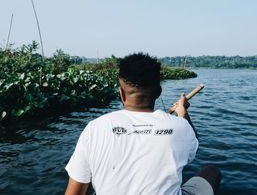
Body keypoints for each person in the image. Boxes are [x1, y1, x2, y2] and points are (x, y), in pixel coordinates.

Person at [65, 53, 219, 195]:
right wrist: (183, 112)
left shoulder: (94, 128)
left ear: (121, 93)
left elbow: (74, 192)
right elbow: (194, 144)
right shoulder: (181, 126)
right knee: (211, 171)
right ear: (159, 92)